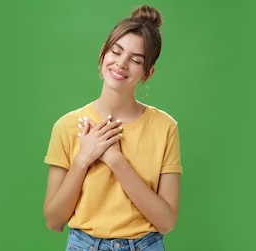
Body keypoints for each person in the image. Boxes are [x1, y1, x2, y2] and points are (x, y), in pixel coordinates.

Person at [43, 5, 182, 251]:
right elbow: (54, 221)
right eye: (116, 52)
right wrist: (83, 159)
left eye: (135, 60)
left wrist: (115, 159)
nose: (121, 64)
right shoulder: (66, 127)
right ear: (103, 53)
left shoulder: (165, 127)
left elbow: (166, 222)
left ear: (148, 73)